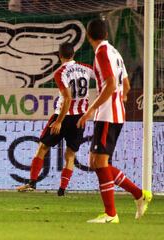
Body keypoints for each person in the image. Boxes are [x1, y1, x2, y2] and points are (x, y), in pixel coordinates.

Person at [77, 19, 152, 223]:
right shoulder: (115, 52)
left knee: (99, 163)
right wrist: (120, 98)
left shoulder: (101, 52)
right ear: (107, 34)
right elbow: (125, 85)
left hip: (107, 115)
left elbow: (110, 85)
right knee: (96, 162)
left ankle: (111, 214)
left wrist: (90, 110)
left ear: (88, 36)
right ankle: (139, 194)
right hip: (114, 114)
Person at [17, 42, 94, 196]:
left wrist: (59, 121)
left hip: (63, 116)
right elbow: (102, 77)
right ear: (73, 54)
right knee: (70, 154)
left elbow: (67, 99)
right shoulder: (86, 68)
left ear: (60, 56)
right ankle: (62, 190)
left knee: (43, 147)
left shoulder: (60, 72)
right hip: (80, 118)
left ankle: (32, 182)